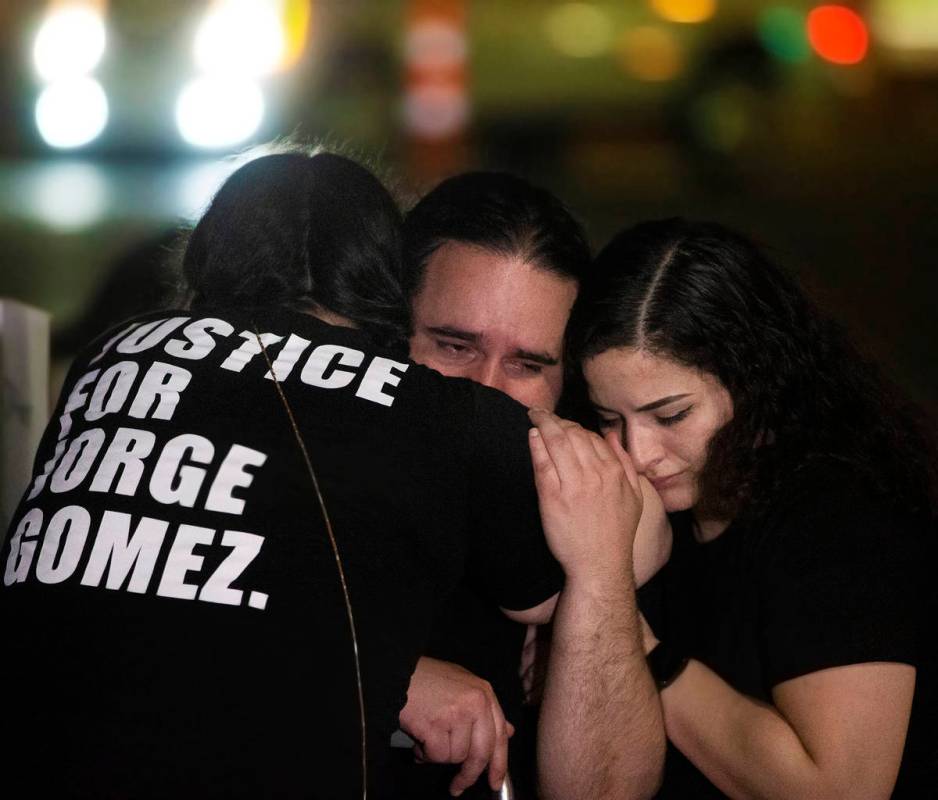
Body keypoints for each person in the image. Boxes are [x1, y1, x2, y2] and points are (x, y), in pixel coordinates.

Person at [0, 151, 570, 799]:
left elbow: (169, 580)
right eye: (455, 344)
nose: (486, 377)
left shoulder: (111, 353)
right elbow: (577, 584)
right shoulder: (445, 412)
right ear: (392, 293)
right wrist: (387, 672)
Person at [565, 217, 938, 798]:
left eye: (671, 416)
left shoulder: (839, 518)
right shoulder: (663, 510)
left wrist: (629, 639)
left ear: (753, 380)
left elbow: (839, 789)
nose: (637, 454)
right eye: (610, 419)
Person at [396, 172, 665, 799]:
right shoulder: (303, 450)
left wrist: (599, 572)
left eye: (526, 364)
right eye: (455, 345)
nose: (486, 392)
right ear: (389, 327)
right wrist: (387, 677)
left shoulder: (576, 496)